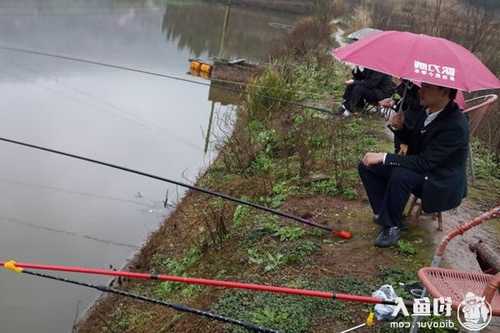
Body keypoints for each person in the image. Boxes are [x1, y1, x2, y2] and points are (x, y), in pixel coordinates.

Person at [358, 83, 469, 247]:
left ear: (444, 91)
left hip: (439, 180)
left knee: (401, 174)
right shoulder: (427, 111)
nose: (420, 91)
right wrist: (401, 128)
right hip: (423, 171)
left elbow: (425, 162)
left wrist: (384, 156)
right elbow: (414, 146)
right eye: (421, 86)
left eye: (427, 88)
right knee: (366, 166)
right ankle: (385, 214)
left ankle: (391, 226)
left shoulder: (455, 125)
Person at [379, 79, 424, 155]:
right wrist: (393, 99)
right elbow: (400, 92)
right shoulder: (408, 79)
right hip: (404, 114)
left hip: (414, 118)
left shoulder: (420, 84)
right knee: (398, 141)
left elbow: (417, 103)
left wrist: (400, 87)